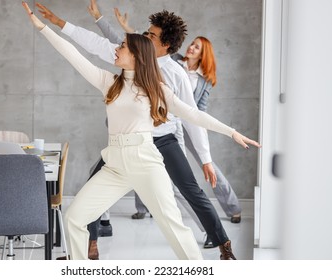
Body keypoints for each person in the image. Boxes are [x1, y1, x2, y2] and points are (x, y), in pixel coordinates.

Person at [32, 1, 259, 260]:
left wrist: (229, 134)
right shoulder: (111, 81)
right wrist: (46, 27)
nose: (117, 49)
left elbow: (194, 115)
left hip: (150, 153)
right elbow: (80, 53)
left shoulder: (164, 83)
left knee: (176, 218)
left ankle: (218, 248)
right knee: (74, 217)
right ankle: (85, 256)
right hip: (116, 163)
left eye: (123, 46)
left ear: (156, 47)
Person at [114, 11, 243, 248]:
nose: (145, 36)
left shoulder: (176, 74)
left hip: (166, 137)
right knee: (101, 175)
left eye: (152, 35)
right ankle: (92, 236)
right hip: (133, 138)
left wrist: (206, 158)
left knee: (187, 188)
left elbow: (194, 116)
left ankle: (221, 240)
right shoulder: (136, 58)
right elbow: (108, 45)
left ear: (165, 44)